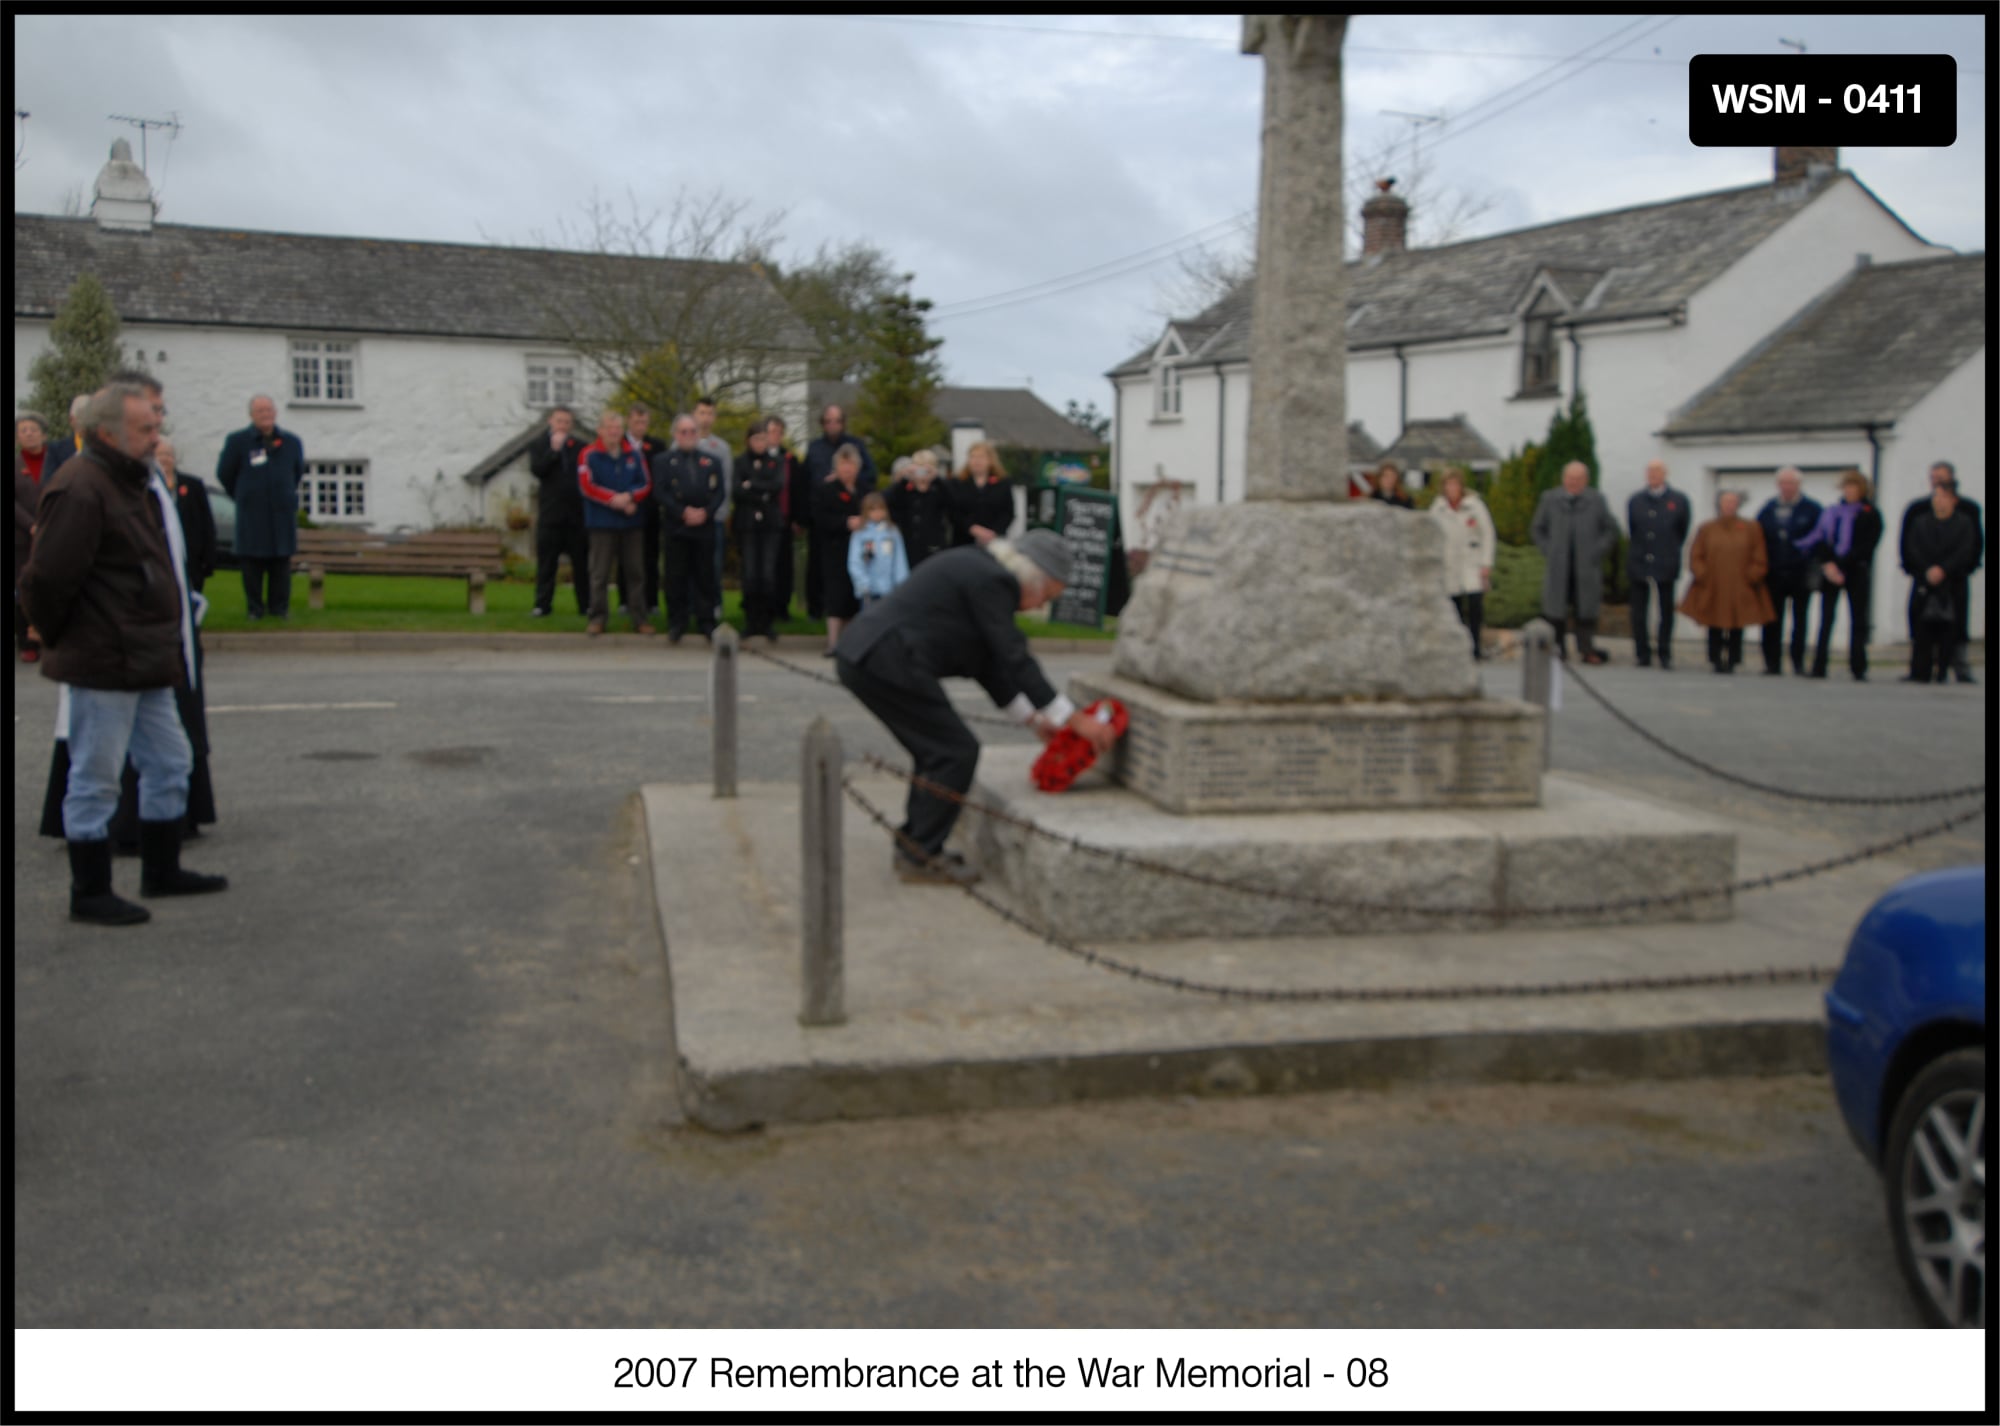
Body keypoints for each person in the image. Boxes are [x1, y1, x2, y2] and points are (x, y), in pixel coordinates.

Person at [19, 383, 227, 926]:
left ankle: (161, 872)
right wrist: (69, 637)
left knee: (171, 763)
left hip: (145, 659)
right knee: (95, 776)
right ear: (108, 432)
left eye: (157, 426)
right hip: (104, 661)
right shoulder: (82, 487)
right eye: (146, 428)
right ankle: (89, 892)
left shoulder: (131, 480)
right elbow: (44, 581)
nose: (157, 436)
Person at [836, 530, 1116, 883]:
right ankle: (922, 856)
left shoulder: (982, 571)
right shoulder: (993, 580)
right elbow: (1015, 657)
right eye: (1046, 596)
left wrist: (1033, 719)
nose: (1039, 607)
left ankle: (917, 845)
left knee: (936, 752)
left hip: (869, 655)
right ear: (1033, 576)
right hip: (885, 658)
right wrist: (1073, 719)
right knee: (955, 752)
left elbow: (990, 663)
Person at [215, 394, 306, 620]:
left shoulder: (291, 442)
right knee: (251, 564)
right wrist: (244, 495)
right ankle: (255, 609)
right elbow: (225, 474)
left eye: (268, 410)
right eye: (260, 411)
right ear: (251, 415)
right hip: (252, 515)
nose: (265, 415)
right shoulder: (238, 441)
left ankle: (279, 608)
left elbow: (296, 473)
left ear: (275, 413)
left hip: (281, 514)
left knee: (280, 563)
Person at [1794, 470, 1883, 681]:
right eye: (1846, 487)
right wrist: (1829, 565)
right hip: (1831, 571)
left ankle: (1858, 667)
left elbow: (1867, 545)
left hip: (1856, 570)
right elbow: (1821, 539)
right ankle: (1819, 665)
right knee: (1826, 619)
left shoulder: (1870, 513)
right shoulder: (1831, 512)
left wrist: (1843, 565)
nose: (1849, 491)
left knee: (1858, 620)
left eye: (1854, 487)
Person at [1900, 462, 1982, 684]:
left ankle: (1957, 668)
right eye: (1934, 477)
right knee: (1920, 621)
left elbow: (1972, 545)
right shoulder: (1918, 510)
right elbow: (1909, 543)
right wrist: (1922, 569)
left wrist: (1949, 569)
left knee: (1955, 624)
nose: (1937, 482)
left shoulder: (1968, 510)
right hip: (1923, 576)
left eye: (1941, 478)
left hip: (1955, 577)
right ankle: (1919, 667)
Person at [1530, 461, 1620, 664]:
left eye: (1578, 479)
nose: (1574, 482)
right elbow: (1537, 528)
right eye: (1570, 478)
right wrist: (1549, 549)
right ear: (1563, 478)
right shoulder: (1550, 499)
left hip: (1586, 567)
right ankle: (1558, 648)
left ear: (1585, 480)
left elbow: (1610, 530)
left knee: (1585, 610)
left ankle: (1586, 649)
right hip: (1558, 566)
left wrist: (1597, 551)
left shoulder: (1596, 500)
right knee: (1555, 611)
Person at [1678, 490, 1774, 674]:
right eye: (1725, 502)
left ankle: (1733, 658)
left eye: (1732, 502)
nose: (1729, 505)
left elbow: (1759, 555)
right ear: (1719, 504)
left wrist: (1753, 575)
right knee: (1713, 621)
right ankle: (1715, 658)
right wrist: (1702, 573)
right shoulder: (1707, 528)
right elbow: (1696, 554)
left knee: (1737, 623)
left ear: (1738, 505)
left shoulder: (1751, 528)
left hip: (1741, 584)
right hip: (1713, 584)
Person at [577, 408, 653, 637]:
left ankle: (640, 618)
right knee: (599, 574)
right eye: (609, 428)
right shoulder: (588, 454)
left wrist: (630, 497)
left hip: (631, 523)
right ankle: (598, 618)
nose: (614, 433)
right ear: (600, 430)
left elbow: (646, 483)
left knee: (636, 573)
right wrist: (614, 500)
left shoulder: (634, 455)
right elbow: (586, 486)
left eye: (618, 429)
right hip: (601, 523)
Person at [652, 413, 725, 643]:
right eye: (684, 432)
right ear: (676, 435)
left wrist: (706, 512)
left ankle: (706, 621)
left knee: (705, 576)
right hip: (677, 528)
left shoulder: (711, 461)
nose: (689, 436)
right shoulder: (663, 461)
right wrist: (682, 512)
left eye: (692, 431)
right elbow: (660, 492)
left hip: (704, 527)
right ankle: (677, 622)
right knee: (676, 577)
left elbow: (719, 492)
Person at [802, 405, 875, 618]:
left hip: (851, 513)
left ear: (843, 423)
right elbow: (803, 480)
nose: (832, 425)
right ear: (822, 423)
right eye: (828, 421)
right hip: (822, 512)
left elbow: (870, 475)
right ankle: (816, 609)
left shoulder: (856, 445)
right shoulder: (814, 448)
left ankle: (852, 610)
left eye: (836, 421)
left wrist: (845, 477)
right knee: (817, 566)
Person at [1754, 467, 1823, 676]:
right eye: (1783, 483)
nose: (1787, 487)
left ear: (1798, 485)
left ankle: (1798, 662)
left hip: (1800, 574)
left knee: (1800, 620)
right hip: (1774, 573)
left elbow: (1820, 540)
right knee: (1772, 620)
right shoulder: (1768, 509)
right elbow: (1758, 539)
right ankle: (1771, 663)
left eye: (1791, 483)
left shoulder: (1812, 509)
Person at [1625, 459, 1691, 670]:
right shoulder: (1636, 500)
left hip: (1666, 561)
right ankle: (1642, 653)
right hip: (1640, 561)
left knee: (1666, 610)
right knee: (1639, 611)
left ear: (1665, 474)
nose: (1653, 475)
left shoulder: (1679, 500)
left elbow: (1681, 530)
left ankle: (1664, 652)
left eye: (1657, 472)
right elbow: (1633, 528)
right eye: (1650, 472)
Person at [527, 405, 590, 617]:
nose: (563, 426)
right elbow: (538, 470)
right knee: (547, 564)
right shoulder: (538, 445)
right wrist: (553, 451)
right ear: (550, 422)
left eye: (567, 422)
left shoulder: (580, 447)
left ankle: (586, 605)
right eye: (559, 421)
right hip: (550, 516)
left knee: (581, 564)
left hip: (575, 517)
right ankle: (542, 605)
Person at [1428, 469, 1496, 660]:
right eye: (1448, 485)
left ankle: (1476, 647)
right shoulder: (1438, 509)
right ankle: (1457, 648)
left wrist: (1486, 563)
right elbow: (1430, 536)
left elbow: (1488, 534)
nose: (1452, 488)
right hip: (1449, 565)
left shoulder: (1475, 506)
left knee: (1475, 605)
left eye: (1455, 484)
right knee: (1454, 608)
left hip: (1472, 562)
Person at [733, 419, 788, 642]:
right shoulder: (740, 462)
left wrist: (751, 485)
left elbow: (777, 486)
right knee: (750, 574)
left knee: (766, 573)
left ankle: (766, 622)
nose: (760, 443)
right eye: (756, 438)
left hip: (770, 525)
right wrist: (759, 491)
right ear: (749, 440)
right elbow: (737, 490)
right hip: (746, 524)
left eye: (764, 438)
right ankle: (750, 621)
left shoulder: (777, 461)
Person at [812, 443, 867, 653]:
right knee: (836, 594)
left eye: (851, 465)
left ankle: (851, 642)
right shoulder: (827, 490)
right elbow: (820, 518)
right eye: (843, 465)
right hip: (835, 548)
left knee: (854, 594)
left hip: (860, 551)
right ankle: (833, 642)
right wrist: (845, 522)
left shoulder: (864, 489)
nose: (847, 470)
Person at [693, 396, 734, 623]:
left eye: (709, 414)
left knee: (713, 565)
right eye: (701, 413)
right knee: (690, 566)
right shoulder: (683, 441)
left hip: (713, 518)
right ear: (694, 414)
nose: (705, 418)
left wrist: (717, 513)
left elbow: (725, 484)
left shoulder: (722, 448)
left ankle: (714, 606)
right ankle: (692, 607)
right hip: (687, 518)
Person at [624, 404, 667, 622]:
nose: (640, 426)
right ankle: (626, 601)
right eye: (636, 422)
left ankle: (651, 601)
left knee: (650, 557)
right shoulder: (619, 445)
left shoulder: (657, 446)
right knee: (627, 558)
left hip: (650, 510)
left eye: (644, 422)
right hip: (626, 509)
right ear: (628, 422)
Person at [888, 450, 955, 568]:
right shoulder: (905, 490)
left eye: (927, 469)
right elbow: (888, 501)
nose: (923, 473)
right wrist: (905, 478)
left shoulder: (938, 489)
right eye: (919, 468)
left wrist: (936, 479)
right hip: (910, 547)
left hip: (934, 547)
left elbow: (953, 503)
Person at [766, 414, 802, 620]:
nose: (775, 436)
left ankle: (782, 606)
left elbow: (797, 490)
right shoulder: (759, 457)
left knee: (784, 566)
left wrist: (797, 519)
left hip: (784, 519)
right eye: (771, 431)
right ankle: (766, 607)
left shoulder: (790, 459)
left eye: (779, 432)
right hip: (764, 521)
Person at [848, 491, 910, 609]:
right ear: (866, 512)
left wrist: (901, 585)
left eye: (880, 509)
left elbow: (900, 561)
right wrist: (863, 584)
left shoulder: (892, 532)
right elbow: (854, 561)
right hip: (868, 591)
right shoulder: (860, 533)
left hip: (890, 590)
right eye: (873, 510)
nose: (877, 513)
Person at [947, 441, 1014, 547]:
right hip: (963, 542)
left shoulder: (1003, 483)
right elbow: (953, 512)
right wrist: (972, 528)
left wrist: (993, 532)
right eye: (973, 457)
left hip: (994, 542)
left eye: (981, 457)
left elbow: (1008, 512)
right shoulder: (957, 483)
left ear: (991, 460)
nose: (977, 461)